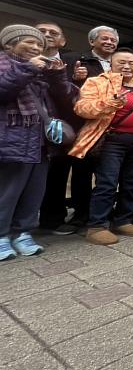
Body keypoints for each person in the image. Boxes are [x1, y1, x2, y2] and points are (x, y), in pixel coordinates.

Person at [70, 48, 133, 245]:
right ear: (111, 65)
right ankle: (97, 226)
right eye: (121, 62)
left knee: (132, 183)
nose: (127, 66)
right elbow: (81, 108)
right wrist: (110, 103)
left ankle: (123, 220)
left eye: (131, 62)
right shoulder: (98, 82)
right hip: (112, 141)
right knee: (107, 183)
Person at [0, 25, 78, 260]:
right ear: (9, 45)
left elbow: (66, 100)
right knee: (8, 191)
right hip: (12, 138)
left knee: (34, 190)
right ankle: (2, 236)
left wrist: (57, 76)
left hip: (40, 140)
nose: (35, 47)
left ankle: (23, 232)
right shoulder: (6, 64)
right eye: (28, 42)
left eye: (38, 45)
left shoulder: (42, 70)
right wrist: (26, 68)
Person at [61, 25, 120, 227]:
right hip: (85, 125)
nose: (110, 42)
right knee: (82, 172)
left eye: (113, 40)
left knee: (107, 173)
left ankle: (103, 211)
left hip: (113, 127)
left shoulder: (119, 65)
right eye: (105, 39)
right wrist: (75, 79)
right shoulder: (78, 61)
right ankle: (81, 212)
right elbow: (63, 89)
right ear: (92, 41)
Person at [35, 22, 82, 234]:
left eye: (53, 33)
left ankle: (51, 220)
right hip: (26, 128)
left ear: (62, 41)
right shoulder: (17, 61)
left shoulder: (73, 62)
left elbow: (72, 97)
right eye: (41, 31)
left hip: (62, 129)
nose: (46, 35)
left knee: (57, 176)